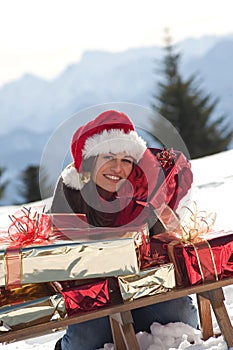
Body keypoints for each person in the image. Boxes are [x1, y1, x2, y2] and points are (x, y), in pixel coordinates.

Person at [51, 110, 198, 350]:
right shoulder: (71, 189)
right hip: (93, 292)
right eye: (108, 157)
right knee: (86, 340)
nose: (117, 168)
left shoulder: (143, 187)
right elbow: (60, 250)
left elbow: (168, 238)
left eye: (126, 160)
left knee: (181, 318)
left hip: (144, 284)